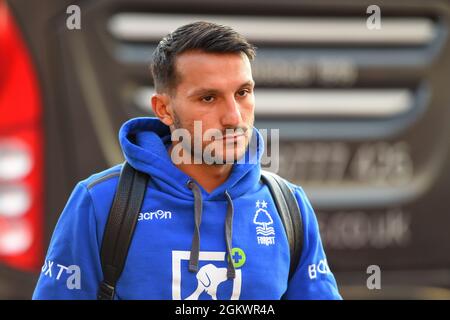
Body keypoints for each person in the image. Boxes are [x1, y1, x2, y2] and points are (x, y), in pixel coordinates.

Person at [32, 21, 342, 300]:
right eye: (208, 98)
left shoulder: (289, 207)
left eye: (243, 93)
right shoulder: (101, 203)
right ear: (164, 109)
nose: (233, 118)